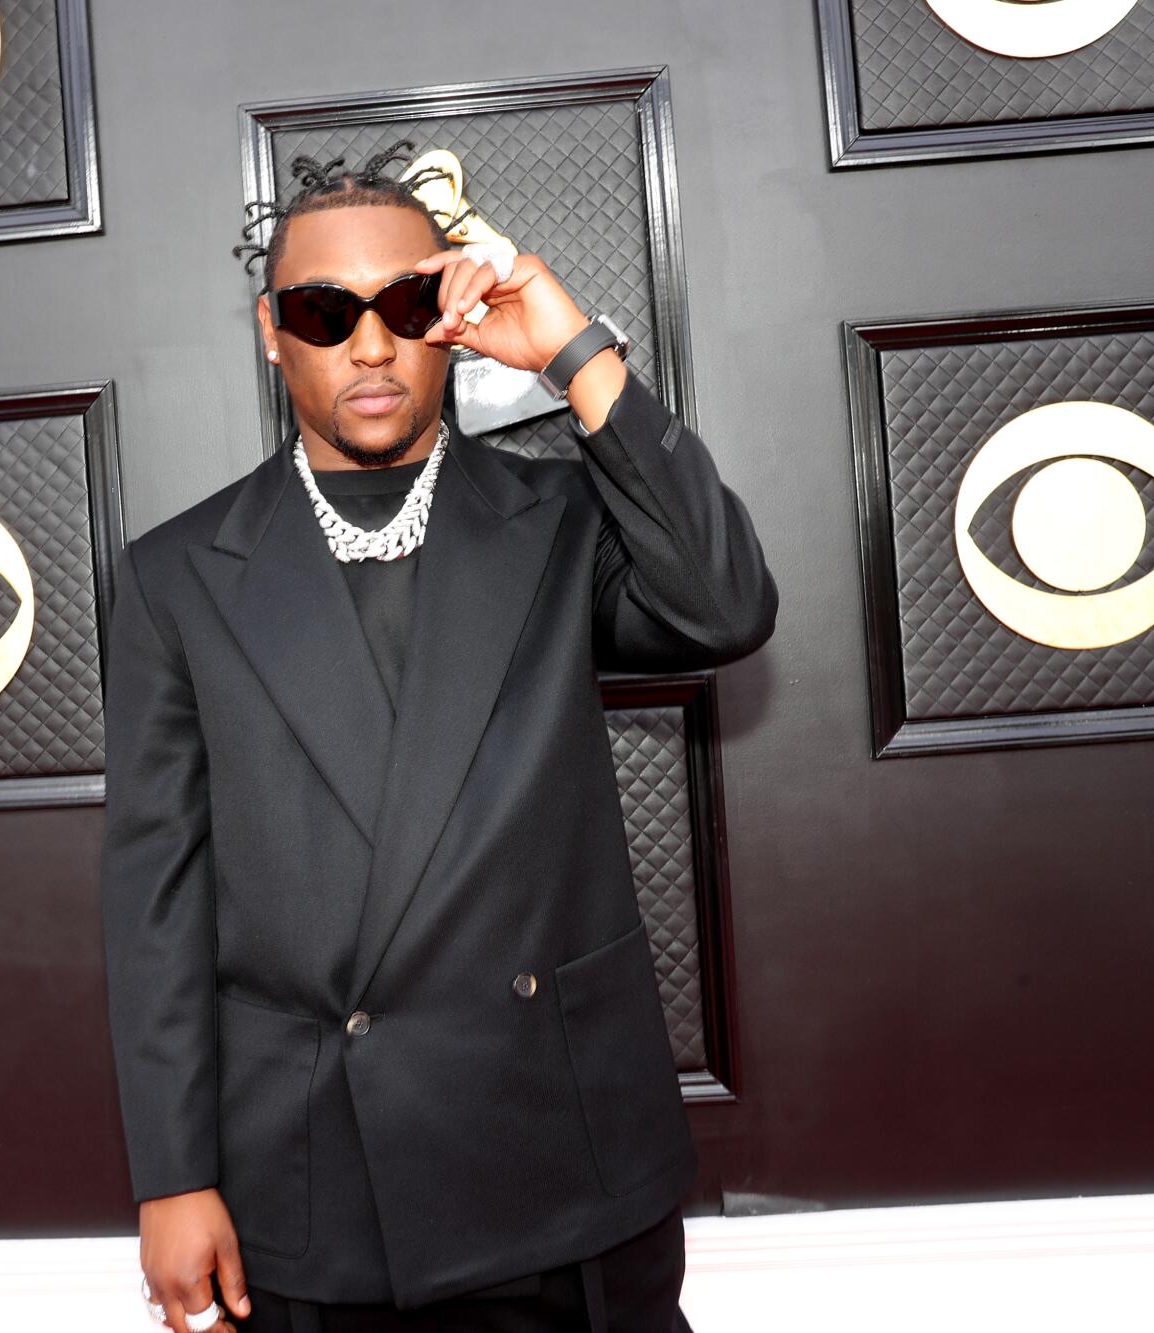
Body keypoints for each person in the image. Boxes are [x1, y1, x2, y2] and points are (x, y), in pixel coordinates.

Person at [101, 140, 779, 1332]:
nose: (369, 345)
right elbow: (155, 897)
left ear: (450, 313)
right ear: (272, 330)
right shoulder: (174, 578)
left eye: (407, 302)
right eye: (324, 311)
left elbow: (722, 606)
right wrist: (171, 1172)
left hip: (558, 1160)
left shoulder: (558, 519)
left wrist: (575, 354)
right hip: (315, 1178)